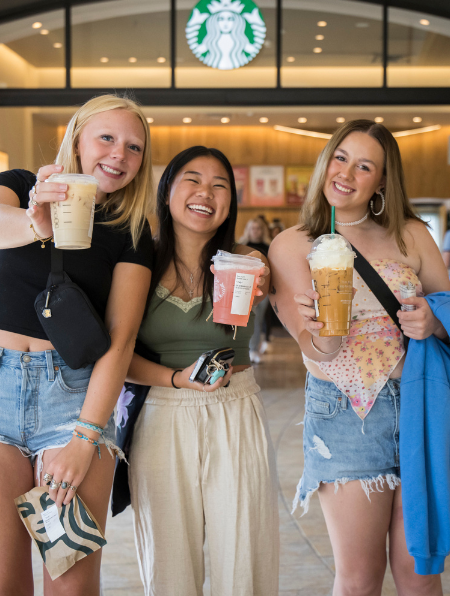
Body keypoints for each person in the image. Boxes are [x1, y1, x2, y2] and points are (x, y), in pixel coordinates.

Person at [0, 95, 154, 595]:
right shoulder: (18, 185)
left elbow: (120, 342)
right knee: (0, 584)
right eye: (106, 138)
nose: (119, 155)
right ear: (77, 137)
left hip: (72, 401)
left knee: (70, 585)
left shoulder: (132, 231)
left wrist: (85, 438)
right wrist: (34, 221)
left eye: (134, 147)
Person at [269, 119, 450, 596]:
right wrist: (327, 329)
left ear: (382, 182)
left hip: (419, 407)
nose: (346, 172)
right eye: (340, 156)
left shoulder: (412, 234)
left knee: (420, 573)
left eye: (365, 165)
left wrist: (433, 322)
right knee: (360, 578)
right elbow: (312, 348)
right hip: (347, 414)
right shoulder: (292, 244)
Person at [126, 146, 278, 596]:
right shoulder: (140, 263)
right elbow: (115, 357)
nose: (205, 193)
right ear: (168, 191)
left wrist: (262, 274)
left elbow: (274, 280)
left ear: (230, 202)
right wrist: (175, 378)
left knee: (244, 559)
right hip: (161, 413)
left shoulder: (246, 260)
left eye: (220, 185)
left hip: (236, 407)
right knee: (169, 564)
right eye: (192, 180)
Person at [239, 216, 271, 362]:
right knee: (251, 318)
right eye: (253, 228)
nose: (255, 231)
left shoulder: (268, 246)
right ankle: (249, 349)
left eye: (258, 228)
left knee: (258, 319)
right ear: (248, 230)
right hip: (246, 287)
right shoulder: (241, 246)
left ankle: (254, 349)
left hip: (264, 287)